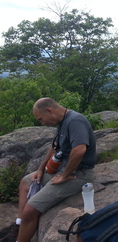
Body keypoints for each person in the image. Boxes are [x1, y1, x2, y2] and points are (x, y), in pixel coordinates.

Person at [1, 98, 96, 242]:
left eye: (41, 119)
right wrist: (40, 169)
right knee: (25, 183)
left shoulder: (76, 121)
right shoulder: (62, 122)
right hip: (60, 170)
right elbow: (55, 147)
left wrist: (64, 175)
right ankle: (18, 228)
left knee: (30, 210)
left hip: (78, 175)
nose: (43, 123)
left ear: (49, 111)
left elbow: (79, 150)